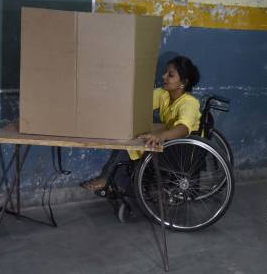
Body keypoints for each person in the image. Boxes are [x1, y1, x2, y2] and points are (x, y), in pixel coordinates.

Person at [81, 55, 201, 192]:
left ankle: (109, 180)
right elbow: (140, 105)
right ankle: (120, 184)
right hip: (169, 141)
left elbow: (184, 129)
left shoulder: (189, 103)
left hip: (182, 150)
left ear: (183, 83)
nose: (164, 77)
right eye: (165, 73)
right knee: (133, 138)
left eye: (170, 75)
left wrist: (161, 136)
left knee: (134, 144)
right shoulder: (164, 94)